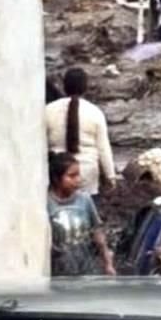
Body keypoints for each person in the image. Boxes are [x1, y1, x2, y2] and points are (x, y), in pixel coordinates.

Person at [45, 68, 116, 197]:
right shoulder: (95, 112)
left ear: (64, 86)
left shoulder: (48, 111)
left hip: (58, 176)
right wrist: (110, 177)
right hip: (86, 176)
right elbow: (103, 149)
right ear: (85, 87)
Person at [47, 151, 116, 276]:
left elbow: (97, 231)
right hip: (58, 270)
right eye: (72, 176)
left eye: (78, 175)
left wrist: (108, 263)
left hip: (85, 265)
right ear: (57, 179)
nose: (77, 180)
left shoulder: (84, 200)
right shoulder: (47, 203)